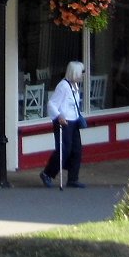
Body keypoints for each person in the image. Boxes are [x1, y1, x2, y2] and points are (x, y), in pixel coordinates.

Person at [40, 60, 86, 189]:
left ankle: (73, 178)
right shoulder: (63, 86)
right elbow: (52, 104)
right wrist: (59, 116)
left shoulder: (75, 86)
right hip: (64, 122)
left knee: (76, 150)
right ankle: (47, 173)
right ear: (75, 73)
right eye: (81, 72)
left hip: (74, 121)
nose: (83, 75)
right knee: (63, 150)